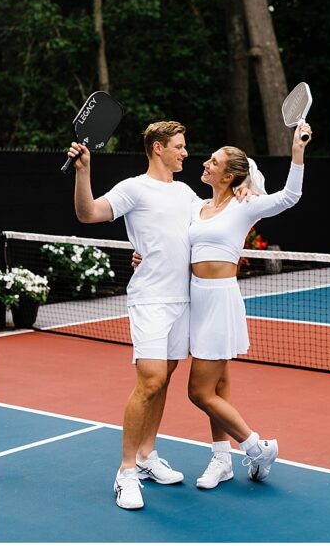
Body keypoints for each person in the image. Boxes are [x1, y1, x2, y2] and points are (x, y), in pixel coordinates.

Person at [68, 121, 196, 511]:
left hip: (184, 301)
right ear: (158, 148)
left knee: (165, 378)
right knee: (150, 380)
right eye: (179, 146)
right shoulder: (133, 188)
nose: (185, 153)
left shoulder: (187, 192)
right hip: (150, 300)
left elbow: (205, 228)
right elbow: (88, 213)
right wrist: (84, 171)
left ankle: (146, 456)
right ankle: (125, 472)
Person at [184, 121, 311, 489]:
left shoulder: (245, 206)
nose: (205, 164)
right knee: (218, 387)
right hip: (195, 299)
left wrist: (297, 151)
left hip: (221, 300)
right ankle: (221, 460)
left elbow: (290, 196)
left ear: (230, 175)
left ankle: (257, 446)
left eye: (214, 162)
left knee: (199, 392)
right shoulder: (198, 207)